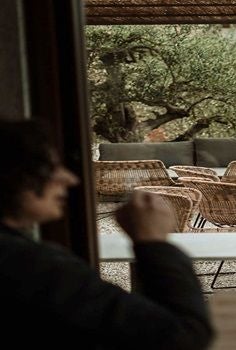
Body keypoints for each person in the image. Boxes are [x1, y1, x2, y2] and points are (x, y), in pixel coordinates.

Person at [0, 121, 214, 349]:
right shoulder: (35, 268)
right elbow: (184, 337)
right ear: (10, 175)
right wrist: (153, 242)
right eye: (50, 167)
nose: (70, 179)